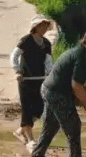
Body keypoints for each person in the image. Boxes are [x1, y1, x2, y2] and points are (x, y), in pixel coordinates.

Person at [30, 30, 86, 157]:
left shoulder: (75, 52)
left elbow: (72, 84)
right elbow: (76, 86)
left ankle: (37, 155)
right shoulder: (81, 60)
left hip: (48, 89)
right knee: (74, 124)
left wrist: (81, 101)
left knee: (51, 125)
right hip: (56, 93)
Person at [10, 16, 54, 148]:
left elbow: (48, 61)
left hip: (40, 79)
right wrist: (17, 71)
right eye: (42, 26)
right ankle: (30, 139)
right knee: (27, 108)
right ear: (36, 26)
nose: (44, 29)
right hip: (25, 80)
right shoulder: (26, 40)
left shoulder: (46, 43)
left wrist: (50, 73)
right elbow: (14, 56)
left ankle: (20, 131)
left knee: (39, 108)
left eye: (46, 26)